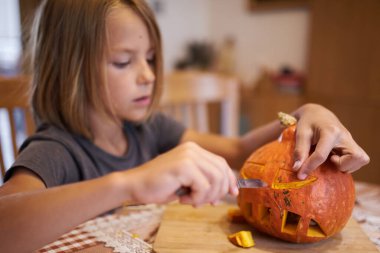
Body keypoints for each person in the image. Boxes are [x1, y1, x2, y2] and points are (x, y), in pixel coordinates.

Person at [0, 0, 369, 252]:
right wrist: (130, 182)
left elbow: (242, 153)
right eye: (123, 61)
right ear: (70, 71)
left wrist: (304, 112)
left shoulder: (149, 128)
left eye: (150, 58)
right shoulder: (55, 149)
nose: (148, 75)